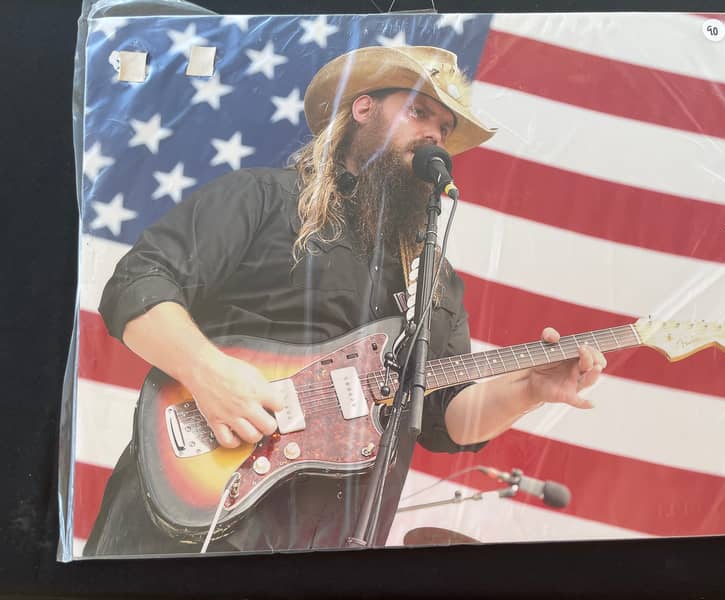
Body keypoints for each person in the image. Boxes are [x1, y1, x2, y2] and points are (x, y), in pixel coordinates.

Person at [83, 45, 607, 556]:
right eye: (420, 112)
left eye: (445, 130)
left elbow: (446, 417)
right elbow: (136, 284)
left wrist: (530, 388)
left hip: (331, 536)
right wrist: (208, 373)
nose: (435, 135)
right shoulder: (264, 198)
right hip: (191, 517)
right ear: (363, 109)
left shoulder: (435, 278)